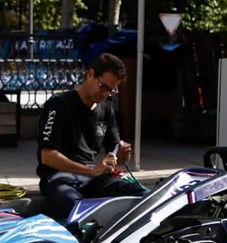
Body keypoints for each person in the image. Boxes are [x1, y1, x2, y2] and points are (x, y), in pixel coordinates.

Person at [37, 52, 147, 219]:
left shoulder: (106, 109)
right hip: (60, 178)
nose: (105, 94)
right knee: (80, 210)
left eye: (111, 90)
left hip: (93, 179)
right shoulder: (59, 104)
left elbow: (115, 151)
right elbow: (47, 156)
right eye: (103, 86)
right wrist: (91, 170)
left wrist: (123, 154)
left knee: (142, 194)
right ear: (90, 74)